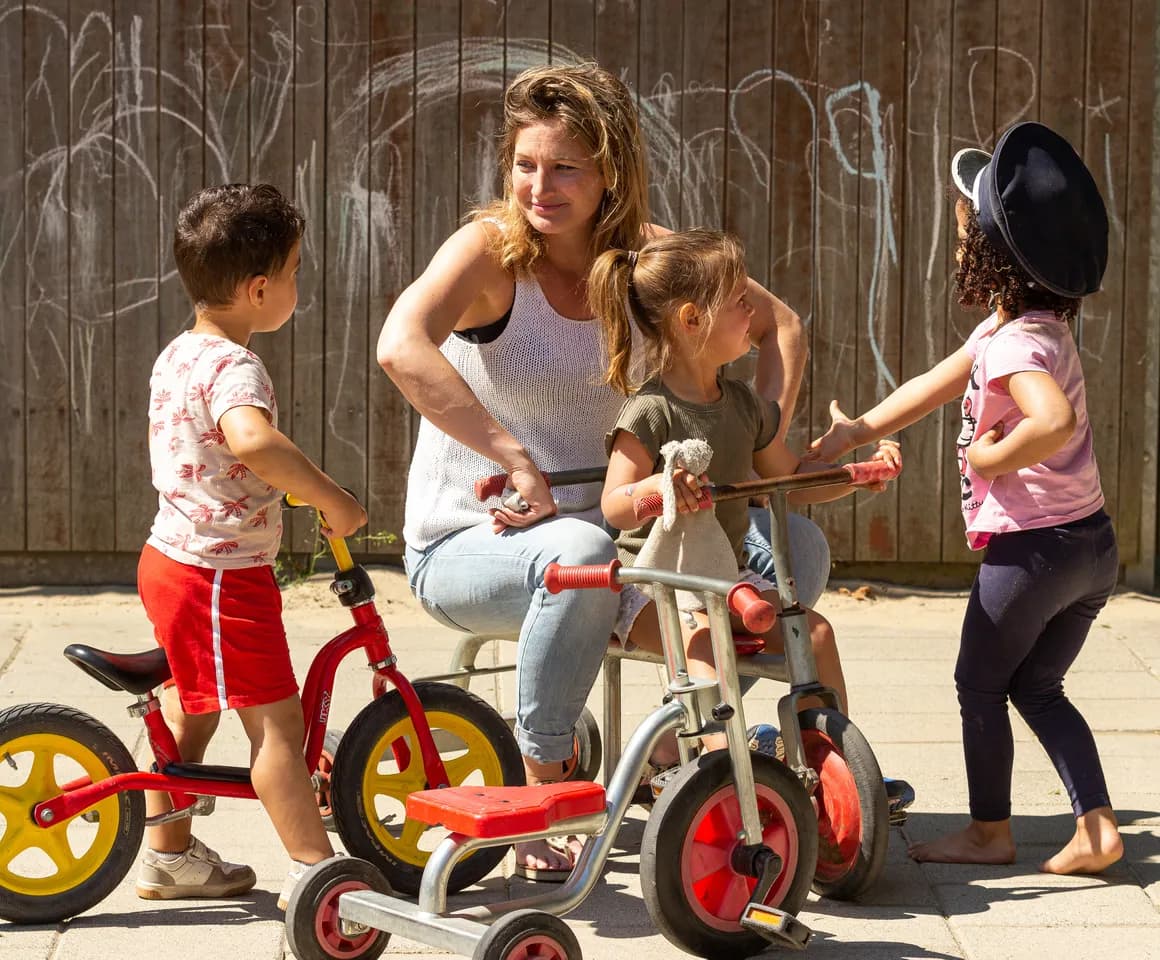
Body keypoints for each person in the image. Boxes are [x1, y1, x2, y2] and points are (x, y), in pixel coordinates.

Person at [376, 63, 819, 880]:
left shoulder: (653, 261)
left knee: (796, 550)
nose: (538, 186)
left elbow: (781, 324)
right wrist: (513, 457)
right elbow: (399, 347)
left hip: (627, 535)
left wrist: (757, 441)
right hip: (476, 544)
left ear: (610, 169)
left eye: (564, 166)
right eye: (524, 164)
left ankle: (678, 762)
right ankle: (543, 789)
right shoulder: (488, 253)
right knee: (580, 550)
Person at [807, 121, 1123, 874]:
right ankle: (1098, 828)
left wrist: (992, 453)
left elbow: (1054, 421)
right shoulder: (1023, 327)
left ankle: (989, 831)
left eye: (961, 237)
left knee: (977, 683)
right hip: (1090, 546)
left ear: (993, 255)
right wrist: (858, 430)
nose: (955, 250)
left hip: (1034, 550)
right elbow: (933, 383)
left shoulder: (1013, 346)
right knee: (1037, 685)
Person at [590, 228, 900, 769]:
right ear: (692, 321)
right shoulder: (650, 410)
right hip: (653, 583)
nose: (751, 318)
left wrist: (856, 476)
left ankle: (831, 770)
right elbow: (614, 504)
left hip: (719, 578)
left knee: (815, 634)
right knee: (708, 647)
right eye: (739, 304)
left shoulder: (742, 406)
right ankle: (722, 777)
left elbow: (790, 479)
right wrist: (658, 490)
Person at [136, 183, 366, 906]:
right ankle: (320, 875)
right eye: (296, 272)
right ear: (261, 288)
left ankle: (170, 858)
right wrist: (332, 497)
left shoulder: (180, 352)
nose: (299, 284)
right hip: (217, 577)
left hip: (174, 558)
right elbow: (250, 440)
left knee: (193, 704)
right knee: (277, 728)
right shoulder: (237, 367)